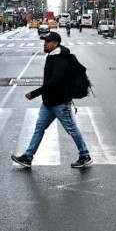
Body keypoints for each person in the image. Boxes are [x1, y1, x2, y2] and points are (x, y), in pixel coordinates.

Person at [11, 31, 93, 169]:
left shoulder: (60, 60)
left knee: (71, 129)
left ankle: (85, 155)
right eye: (45, 41)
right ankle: (28, 157)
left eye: (47, 42)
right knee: (39, 128)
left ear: (56, 44)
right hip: (48, 103)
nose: (45, 44)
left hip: (60, 103)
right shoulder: (52, 56)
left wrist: (35, 93)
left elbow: (54, 82)